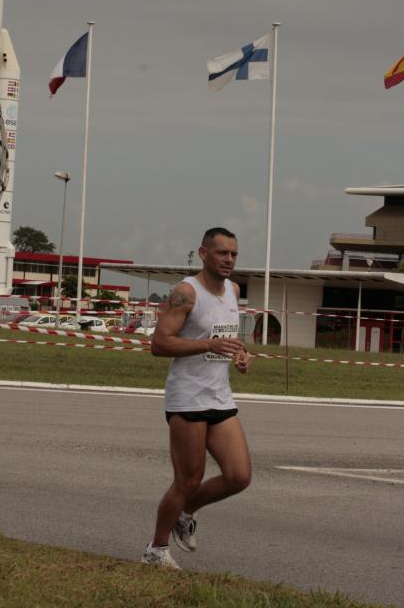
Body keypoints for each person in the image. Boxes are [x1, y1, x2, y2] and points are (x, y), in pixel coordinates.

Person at [142, 227, 252, 569]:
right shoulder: (186, 292)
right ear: (204, 254)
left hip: (219, 397)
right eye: (222, 253)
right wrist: (208, 345)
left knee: (239, 476)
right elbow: (159, 344)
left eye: (233, 253)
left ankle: (185, 513)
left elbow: (227, 340)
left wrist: (242, 356)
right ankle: (156, 550)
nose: (229, 260)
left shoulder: (233, 290)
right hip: (187, 399)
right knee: (188, 479)